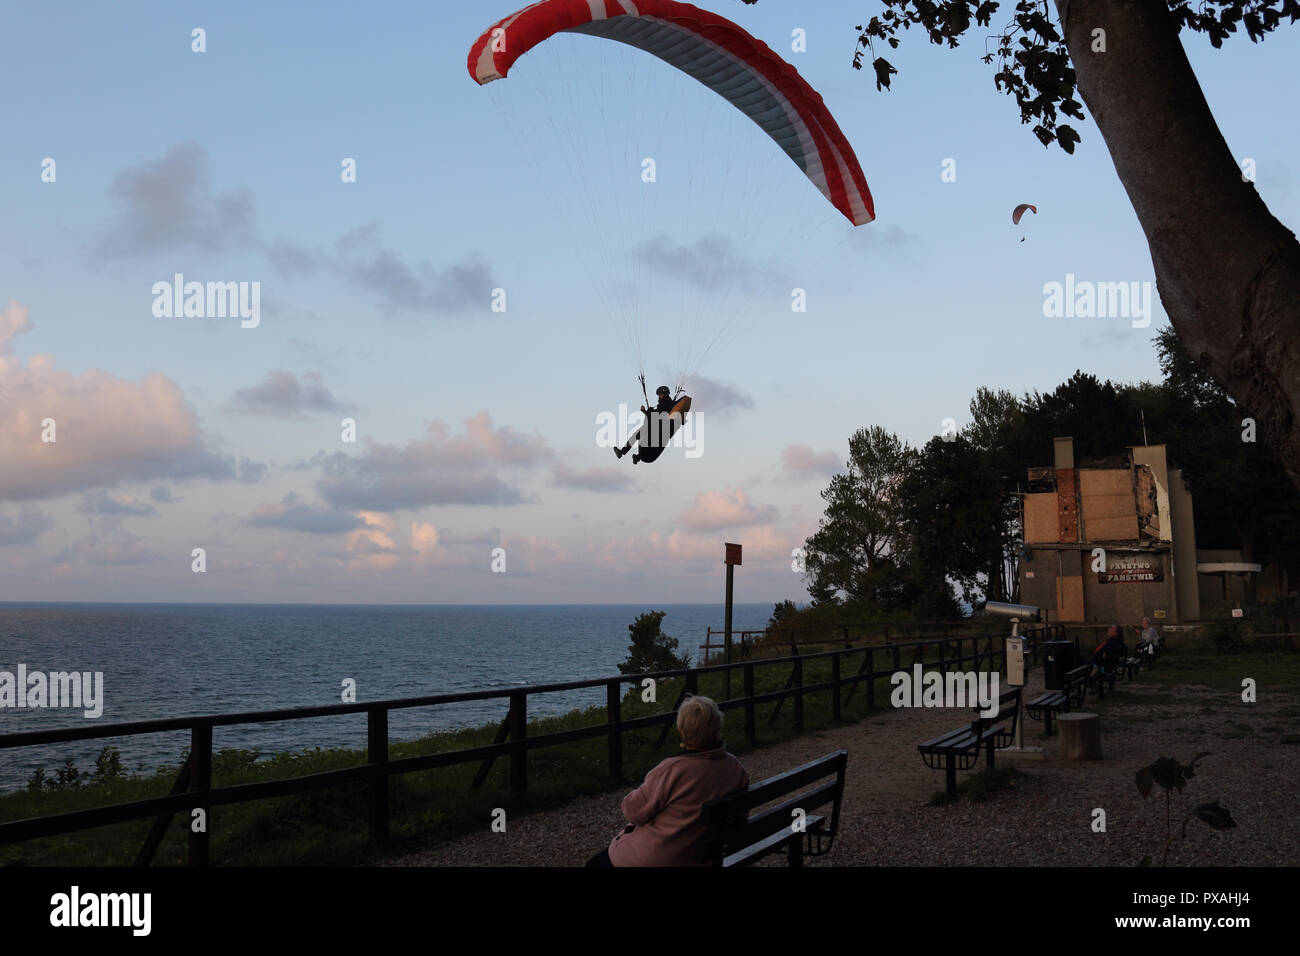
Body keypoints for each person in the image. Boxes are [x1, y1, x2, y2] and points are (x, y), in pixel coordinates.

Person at [586, 695, 747, 867]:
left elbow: (633, 812)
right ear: (718, 728)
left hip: (661, 859)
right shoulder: (735, 768)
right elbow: (739, 818)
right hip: (703, 857)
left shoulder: (673, 770)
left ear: (681, 730)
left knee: (594, 864)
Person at [614, 385, 680, 465]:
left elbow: (657, 415)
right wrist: (646, 411)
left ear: (664, 394)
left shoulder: (665, 403)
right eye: (659, 395)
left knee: (639, 433)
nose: (659, 397)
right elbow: (655, 415)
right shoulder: (666, 403)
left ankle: (625, 452)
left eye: (660, 395)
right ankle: (636, 456)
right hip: (658, 431)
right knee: (643, 435)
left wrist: (647, 411)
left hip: (659, 427)